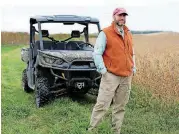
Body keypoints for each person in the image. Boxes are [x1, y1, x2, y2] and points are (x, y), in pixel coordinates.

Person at [87, 7, 136, 134]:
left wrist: (133, 67)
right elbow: (97, 53)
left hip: (126, 76)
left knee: (120, 107)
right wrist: (103, 71)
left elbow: (132, 53)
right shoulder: (105, 33)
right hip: (111, 76)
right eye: (120, 15)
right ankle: (92, 130)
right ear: (114, 16)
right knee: (102, 105)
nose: (122, 18)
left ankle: (116, 131)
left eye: (124, 15)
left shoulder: (128, 33)